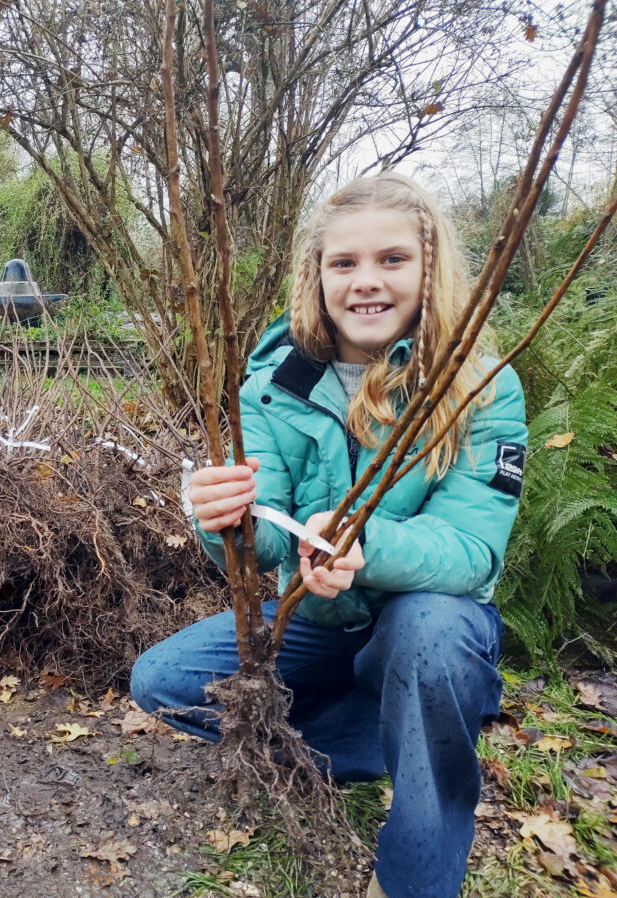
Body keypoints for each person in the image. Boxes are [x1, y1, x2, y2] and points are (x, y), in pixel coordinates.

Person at [130, 172, 527, 898]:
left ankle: (413, 870)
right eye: (344, 263)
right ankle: (389, 742)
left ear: (430, 269)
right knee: (166, 681)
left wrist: (365, 545)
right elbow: (264, 551)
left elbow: (473, 553)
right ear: (316, 275)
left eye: (392, 259)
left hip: (432, 617)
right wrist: (229, 521)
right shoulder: (273, 384)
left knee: (427, 635)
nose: (366, 282)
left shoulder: (482, 384)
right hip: (317, 618)